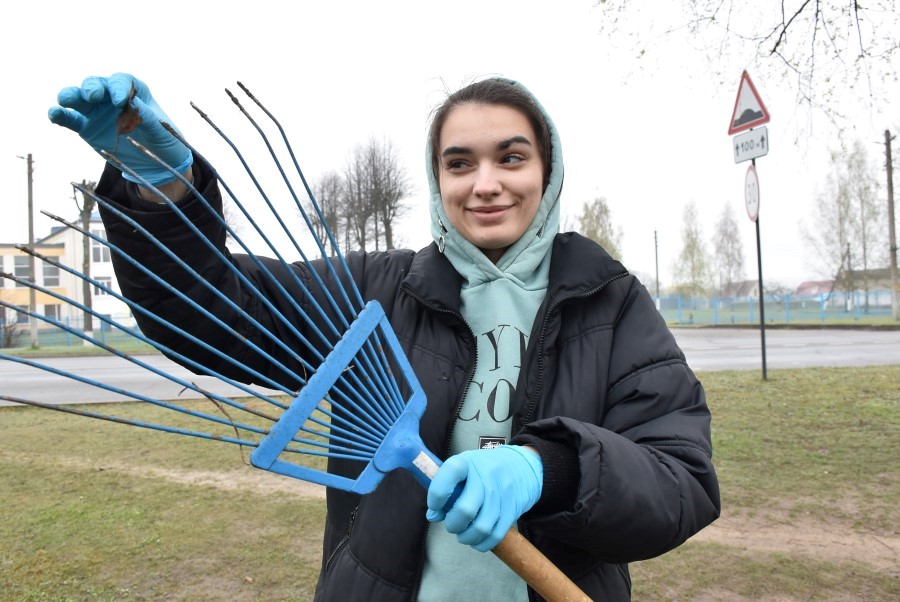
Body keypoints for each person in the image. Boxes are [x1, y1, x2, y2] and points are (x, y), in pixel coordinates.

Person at [49, 73, 720, 600]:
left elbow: (680, 482)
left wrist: (548, 469)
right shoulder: (376, 293)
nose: (486, 184)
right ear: (437, 180)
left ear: (547, 170)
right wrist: (162, 189)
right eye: (459, 164)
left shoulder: (610, 303)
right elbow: (213, 316)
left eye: (511, 157)